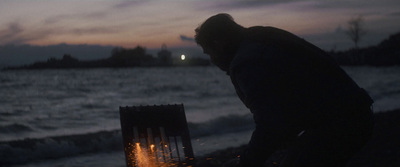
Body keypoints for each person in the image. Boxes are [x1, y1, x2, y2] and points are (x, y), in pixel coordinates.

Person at [195, 13, 374, 167]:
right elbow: (289, 101)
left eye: (209, 52)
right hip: (355, 110)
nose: (212, 59)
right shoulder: (263, 37)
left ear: (218, 44)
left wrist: (246, 162)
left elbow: (270, 123)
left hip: (341, 122)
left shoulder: (247, 61)